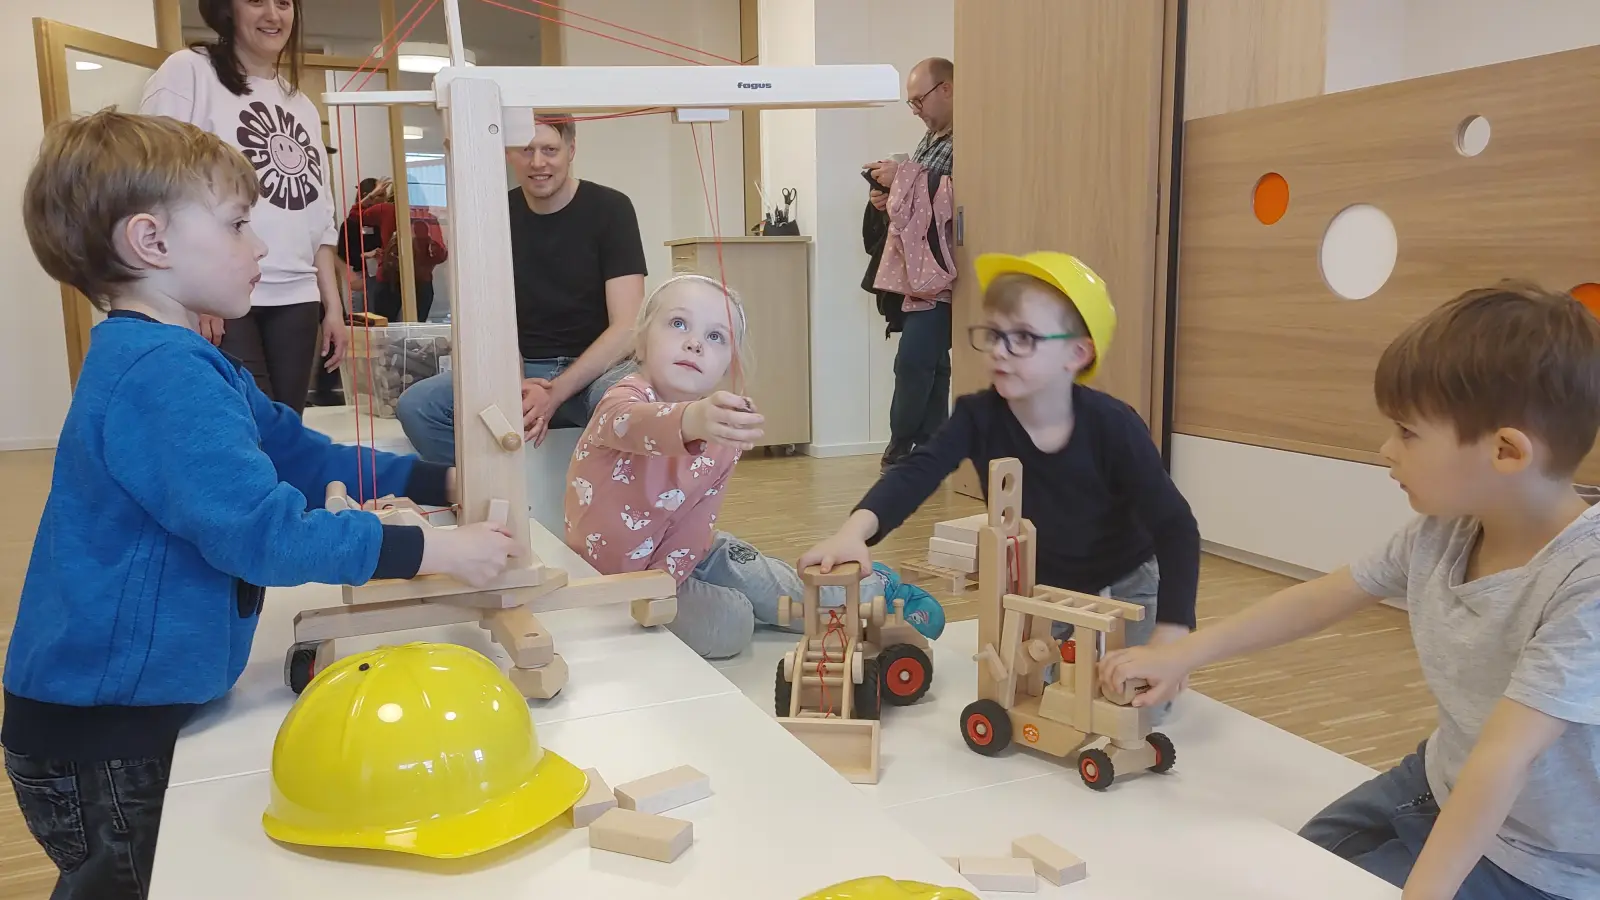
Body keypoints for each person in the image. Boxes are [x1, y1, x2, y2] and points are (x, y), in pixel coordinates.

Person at [3, 110, 521, 900]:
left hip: (120, 712)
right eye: (238, 224)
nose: (262, 249)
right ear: (151, 242)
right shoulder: (162, 375)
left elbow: (296, 455)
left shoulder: (183, 358)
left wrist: (433, 482)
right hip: (103, 734)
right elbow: (264, 535)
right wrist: (434, 550)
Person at [1102, 283, 1600, 900]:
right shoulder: (1444, 530)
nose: (1386, 450)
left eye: (1408, 432)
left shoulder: (1586, 581)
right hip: (1441, 779)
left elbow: (1504, 760)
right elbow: (1321, 598)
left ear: (1505, 451)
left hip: (1539, 859)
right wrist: (1181, 653)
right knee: (1303, 862)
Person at [801, 252, 1200, 664]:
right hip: (1043, 588)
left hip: (1126, 585)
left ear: (1077, 354)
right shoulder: (978, 416)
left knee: (1135, 688)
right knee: (1031, 685)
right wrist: (854, 532)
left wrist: (1172, 630)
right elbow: (917, 472)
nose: (1000, 351)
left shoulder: (1114, 426)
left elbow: (1176, 526)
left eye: (1023, 337)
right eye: (994, 334)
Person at [396, 115, 646, 464]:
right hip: (520, 369)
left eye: (550, 150)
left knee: (632, 412)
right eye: (526, 150)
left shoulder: (611, 209)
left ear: (571, 150)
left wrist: (556, 392)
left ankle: (603, 498)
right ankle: (496, 490)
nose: (538, 162)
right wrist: (514, 383)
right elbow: (491, 317)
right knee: (418, 406)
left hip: (596, 373)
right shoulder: (493, 216)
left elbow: (627, 327)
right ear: (508, 153)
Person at [139, 0, 348, 415]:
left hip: (297, 296)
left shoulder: (302, 106)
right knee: (243, 424)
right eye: (256, 1)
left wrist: (334, 307)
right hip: (222, 293)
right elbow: (156, 189)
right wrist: (194, 296)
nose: (273, 14)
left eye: (283, 3)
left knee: (286, 428)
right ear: (227, 9)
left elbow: (319, 217)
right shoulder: (189, 72)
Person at [866, 57, 955, 471]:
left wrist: (902, 177)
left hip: (944, 268)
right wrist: (888, 197)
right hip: (921, 271)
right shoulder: (930, 140)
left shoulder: (970, 137)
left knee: (915, 359)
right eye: (912, 103)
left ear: (947, 88)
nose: (916, 110)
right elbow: (918, 204)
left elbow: (958, 195)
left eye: (919, 100)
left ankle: (902, 443)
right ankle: (932, 448)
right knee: (932, 362)